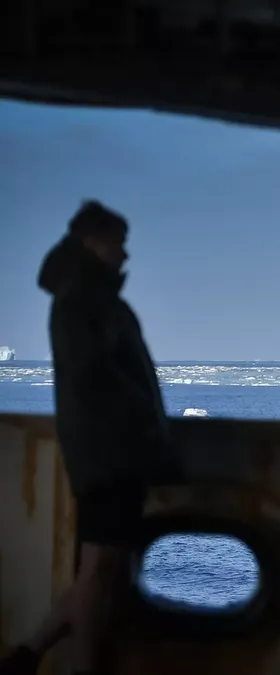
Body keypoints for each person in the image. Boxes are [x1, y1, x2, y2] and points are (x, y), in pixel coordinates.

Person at [0, 200, 177, 675]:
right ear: (91, 242)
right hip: (109, 456)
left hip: (107, 454)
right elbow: (93, 376)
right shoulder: (84, 300)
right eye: (119, 243)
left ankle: (26, 656)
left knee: (99, 573)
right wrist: (141, 423)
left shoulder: (87, 298)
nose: (125, 255)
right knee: (99, 573)